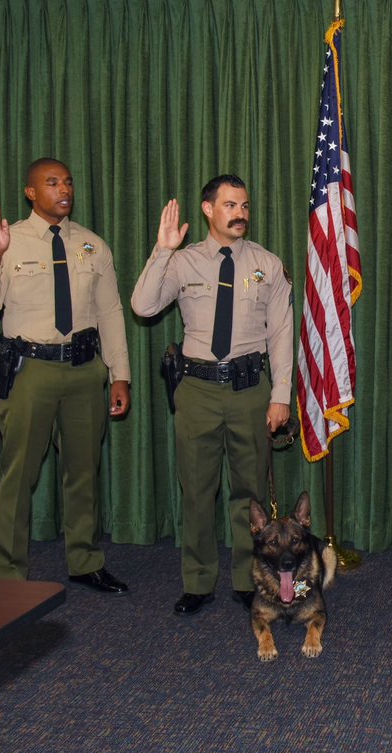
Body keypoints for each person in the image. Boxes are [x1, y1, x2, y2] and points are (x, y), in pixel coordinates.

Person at [0, 157, 131, 593]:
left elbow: (111, 312)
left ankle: (85, 561)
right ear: (31, 193)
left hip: (83, 370)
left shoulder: (94, 245)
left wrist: (120, 375)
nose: (64, 190)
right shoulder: (8, 241)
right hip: (30, 372)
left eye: (69, 182)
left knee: (84, 471)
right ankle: (8, 574)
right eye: (52, 182)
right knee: (18, 474)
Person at [131, 174, 294, 616]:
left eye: (244, 205)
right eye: (230, 205)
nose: (240, 213)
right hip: (198, 389)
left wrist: (281, 394)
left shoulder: (268, 264)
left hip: (249, 389)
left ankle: (247, 578)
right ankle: (198, 581)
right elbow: (143, 306)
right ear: (208, 209)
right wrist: (162, 250)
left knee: (250, 493)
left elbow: (281, 333)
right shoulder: (182, 263)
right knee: (198, 490)